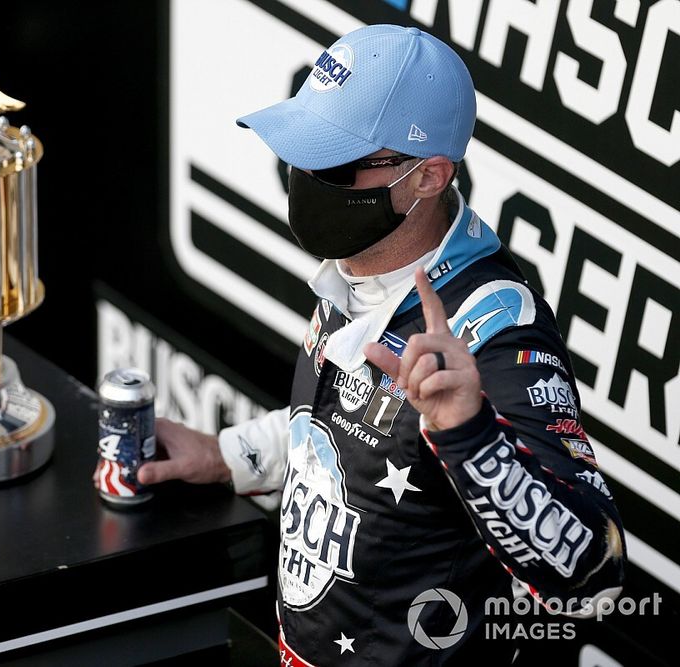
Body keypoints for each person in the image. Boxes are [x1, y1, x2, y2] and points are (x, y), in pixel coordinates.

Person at [136, 24, 626, 665]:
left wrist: (468, 432)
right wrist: (231, 455)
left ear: (429, 177)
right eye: (301, 150)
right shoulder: (363, 262)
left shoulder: (493, 329)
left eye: (334, 163)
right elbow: (349, 434)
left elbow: (592, 579)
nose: (305, 176)